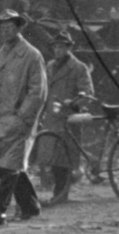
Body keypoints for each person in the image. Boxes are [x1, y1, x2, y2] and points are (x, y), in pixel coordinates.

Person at [0, 10, 47, 225]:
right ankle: (30, 206)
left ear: (19, 28)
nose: (6, 30)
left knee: (9, 167)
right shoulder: (0, 54)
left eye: (10, 26)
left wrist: (23, 117)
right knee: (9, 166)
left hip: (18, 121)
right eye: (3, 27)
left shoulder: (31, 55)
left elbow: (37, 91)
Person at [38, 27, 94, 204]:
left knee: (64, 160)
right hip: (51, 117)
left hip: (68, 119)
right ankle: (57, 192)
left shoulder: (78, 68)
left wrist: (73, 103)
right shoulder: (49, 66)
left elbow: (88, 93)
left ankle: (61, 194)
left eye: (62, 47)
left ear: (69, 48)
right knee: (51, 157)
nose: (58, 50)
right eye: (55, 47)